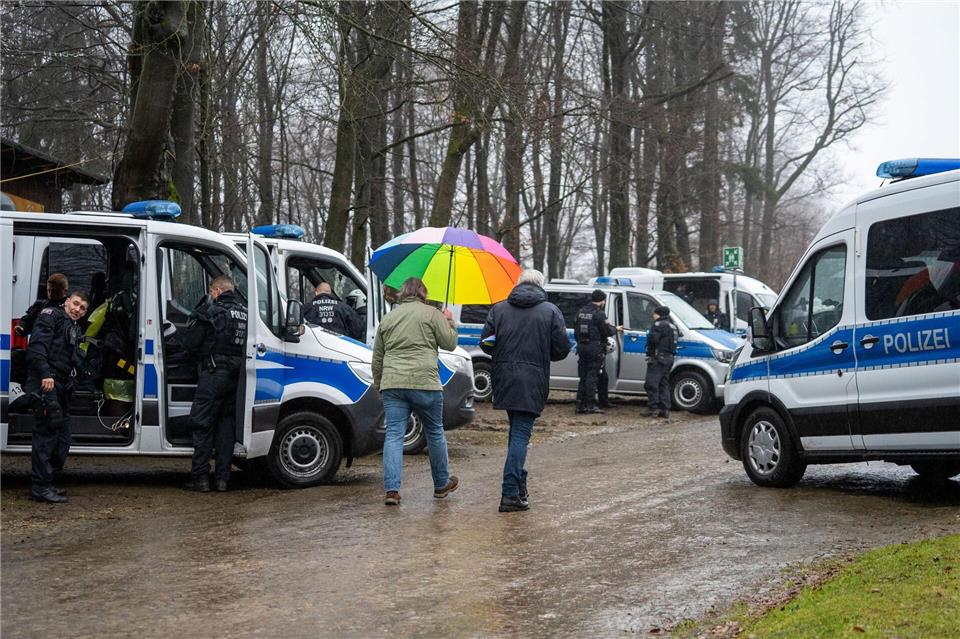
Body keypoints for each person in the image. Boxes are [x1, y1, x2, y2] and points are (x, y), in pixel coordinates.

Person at [480, 269, 570, 512]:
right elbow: (562, 349)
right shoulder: (550, 311)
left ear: (518, 284)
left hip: (504, 378)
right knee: (520, 434)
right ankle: (510, 493)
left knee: (516, 433)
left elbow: (486, 344)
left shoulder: (498, 309)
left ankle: (519, 486)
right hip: (533, 378)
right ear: (541, 286)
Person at [372, 277, 459, 506]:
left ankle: (392, 490)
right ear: (424, 293)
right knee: (435, 432)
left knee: (394, 435)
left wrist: (380, 384)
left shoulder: (388, 318)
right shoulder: (432, 314)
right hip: (425, 383)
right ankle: (441, 485)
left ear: (403, 293)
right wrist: (449, 322)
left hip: (393, 383)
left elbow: (377, 358)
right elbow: (449, 344)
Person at [182, 275, 248, 493]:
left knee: (202, 424)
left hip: (213, 374)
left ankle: (200, 478)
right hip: (237, 377)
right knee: (226, 427)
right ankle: (222, 480)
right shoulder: (246, 314)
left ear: (217, 291)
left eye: (212, 292)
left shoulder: (211, 312)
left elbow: (190, 343)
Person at [26, 289, 89, 503]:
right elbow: (36, 347)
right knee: (46, 436)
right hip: (46, 382)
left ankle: (48, 481)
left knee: (62, 439)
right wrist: (45, 374)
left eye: (82, 308)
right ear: (67, 301)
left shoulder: (73, 326)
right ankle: (40, 487)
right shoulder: (50, 316)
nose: (77, 309)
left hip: (60, 385)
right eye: (75, 303)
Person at [574, 290, 621, 415]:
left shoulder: (581, 311)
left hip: (581, 347)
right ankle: (590, 405)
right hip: (594, 348)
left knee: (583, 376)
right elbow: (606, 332)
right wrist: (615, 329)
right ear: (601, 301)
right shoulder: (599, 314)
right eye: (604, 300)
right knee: (592, 377)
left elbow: (575, 331)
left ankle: (580, 405)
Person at [644, 305, 676, 419]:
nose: (653, 315)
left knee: (651, 384)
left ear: (659, 314)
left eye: (654, 313)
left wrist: (649, 336)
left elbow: (653, 339)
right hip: (669, 358)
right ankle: (665, 409)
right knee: (664, 384)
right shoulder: (672, 326)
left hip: (659, 358)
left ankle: (652, 408)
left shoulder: (658, 325)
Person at [16, 273, 69, 337]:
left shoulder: (70, 307)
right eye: (48, 290)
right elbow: (28, 320)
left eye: (55, 291)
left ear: (65, 290)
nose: (51, 294)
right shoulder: (40, 305)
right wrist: (22, 327)